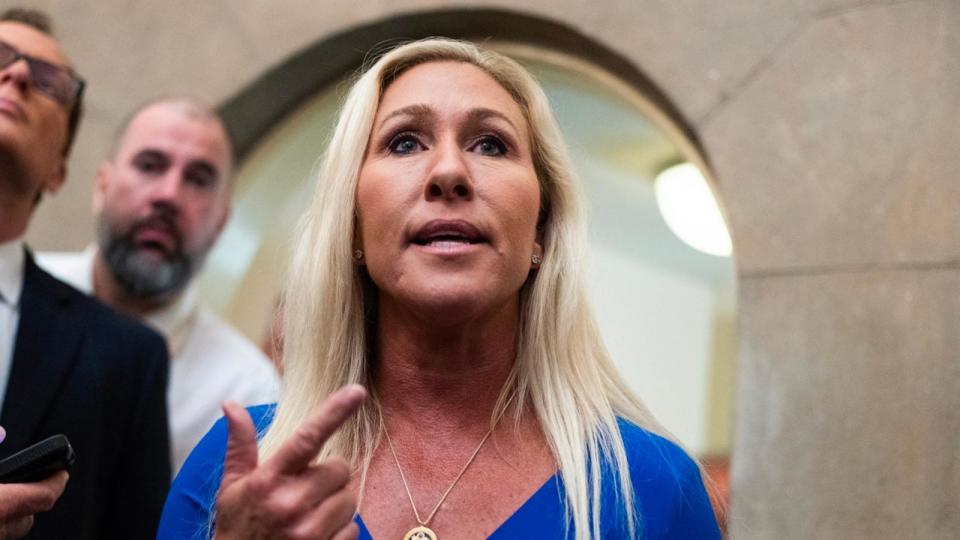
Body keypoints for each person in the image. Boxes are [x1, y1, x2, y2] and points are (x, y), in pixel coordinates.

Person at [159, 38, 721, 539]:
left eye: (491, 145)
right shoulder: (241, 471)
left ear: (541, 233)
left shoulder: (655, 488)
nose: (448, 171)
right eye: (404, 143)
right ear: (352, 226)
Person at [0, 7, 171, 538]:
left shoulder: (125, 357)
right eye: (0, 58)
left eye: (50, 82)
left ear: (58, 172)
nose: (19, 74)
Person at [39, 97, 280, 473]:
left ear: (221, 222)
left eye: (198, 179)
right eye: (149, 166)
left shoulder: (246, 392)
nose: (168, 195)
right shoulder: (13, 298)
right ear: (101, 187)